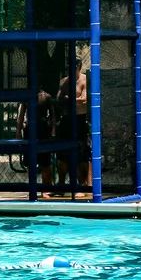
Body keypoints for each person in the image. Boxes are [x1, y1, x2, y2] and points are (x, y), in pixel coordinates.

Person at [56, 60, 90, 196]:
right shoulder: (64, 81)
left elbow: (85, 98)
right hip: (66, 119)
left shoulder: (84, 80)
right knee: (62, 153)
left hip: (80, 119)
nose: (71, 69)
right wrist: (71, 99)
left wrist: (69, 98)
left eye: (74, 67)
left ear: (79, 68)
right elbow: (59, 98)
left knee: (81, 152)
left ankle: (81, 184)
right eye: (69, 67)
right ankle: (62, 184)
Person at [17, 90, 56, 189]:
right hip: (30, 130)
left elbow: (52, 115)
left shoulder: (46, 96)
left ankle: (46, 188)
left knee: (45, 163)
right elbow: (21, 115)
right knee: (31, 163)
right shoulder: (26, 96)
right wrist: (18, 131)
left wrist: (53, 131)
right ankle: (33, 188)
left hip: (42, 129)